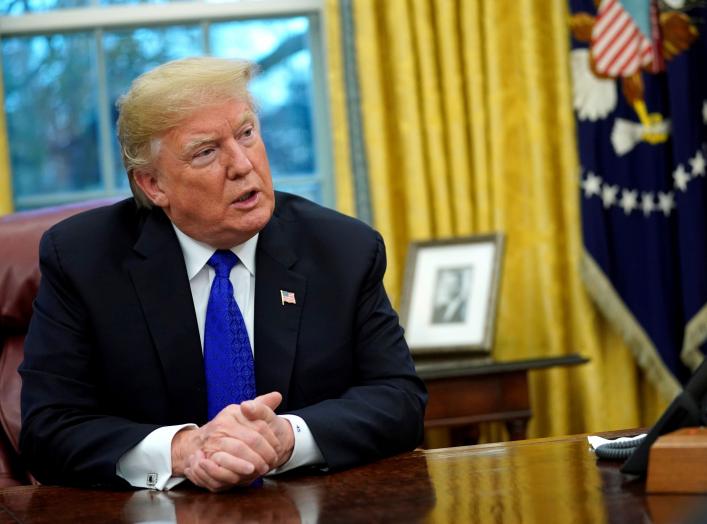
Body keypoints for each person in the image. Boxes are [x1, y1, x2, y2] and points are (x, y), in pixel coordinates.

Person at [19, 57, 427, 492]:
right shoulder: (84, 260)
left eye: (247, 133)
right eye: (206, 152)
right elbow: (48, 429)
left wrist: (286, 437)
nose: (242, 164)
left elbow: (399, 399)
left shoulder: (343, 250)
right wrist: (185, 449)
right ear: (154, 185)